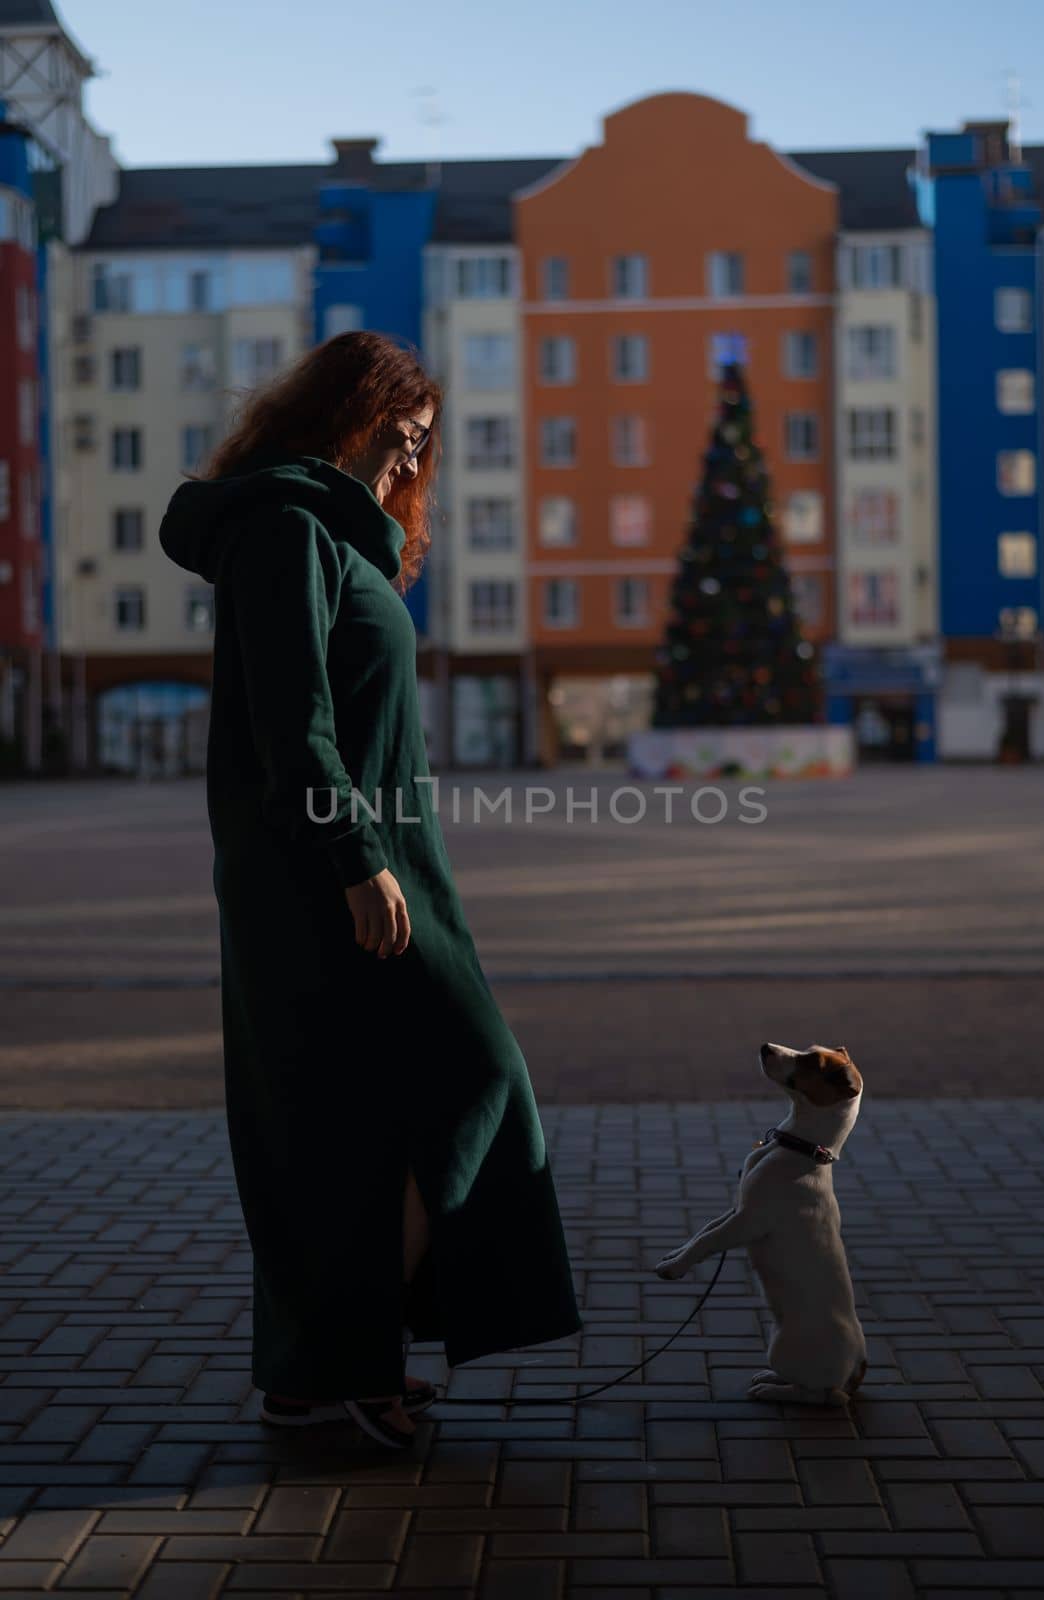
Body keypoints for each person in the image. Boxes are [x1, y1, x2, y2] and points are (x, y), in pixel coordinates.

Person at [159, 330, 581, 1449]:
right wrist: (356, 861)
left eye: (428, 440)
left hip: (385, 866)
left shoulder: (331, 536)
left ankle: (314, 1373)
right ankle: (353, 1359)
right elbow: (290, 723)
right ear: (352, 409)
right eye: (405, 428)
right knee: (460, 1076)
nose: (414, 452)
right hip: (328, 873)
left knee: (366, 1119)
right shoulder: (285, 528)